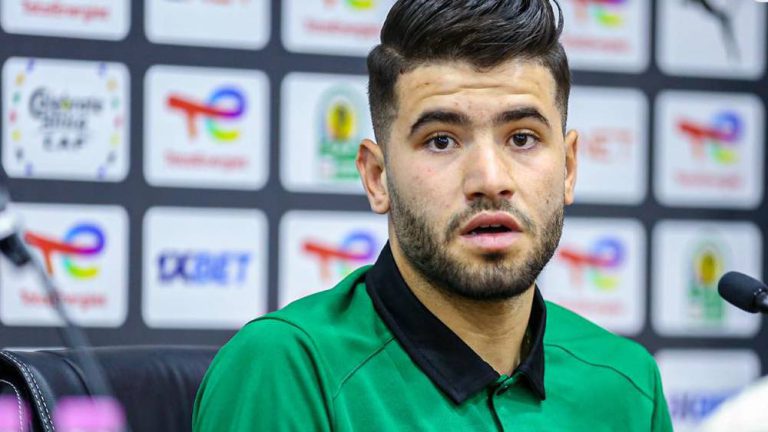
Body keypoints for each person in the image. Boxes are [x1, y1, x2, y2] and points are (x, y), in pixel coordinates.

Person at [193, 1, 673, 430]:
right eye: (441, 140)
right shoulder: (288, 368)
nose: (490, 179)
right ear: (377, 177)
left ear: (568, 168)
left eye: (522, 138)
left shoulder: (628, 383)